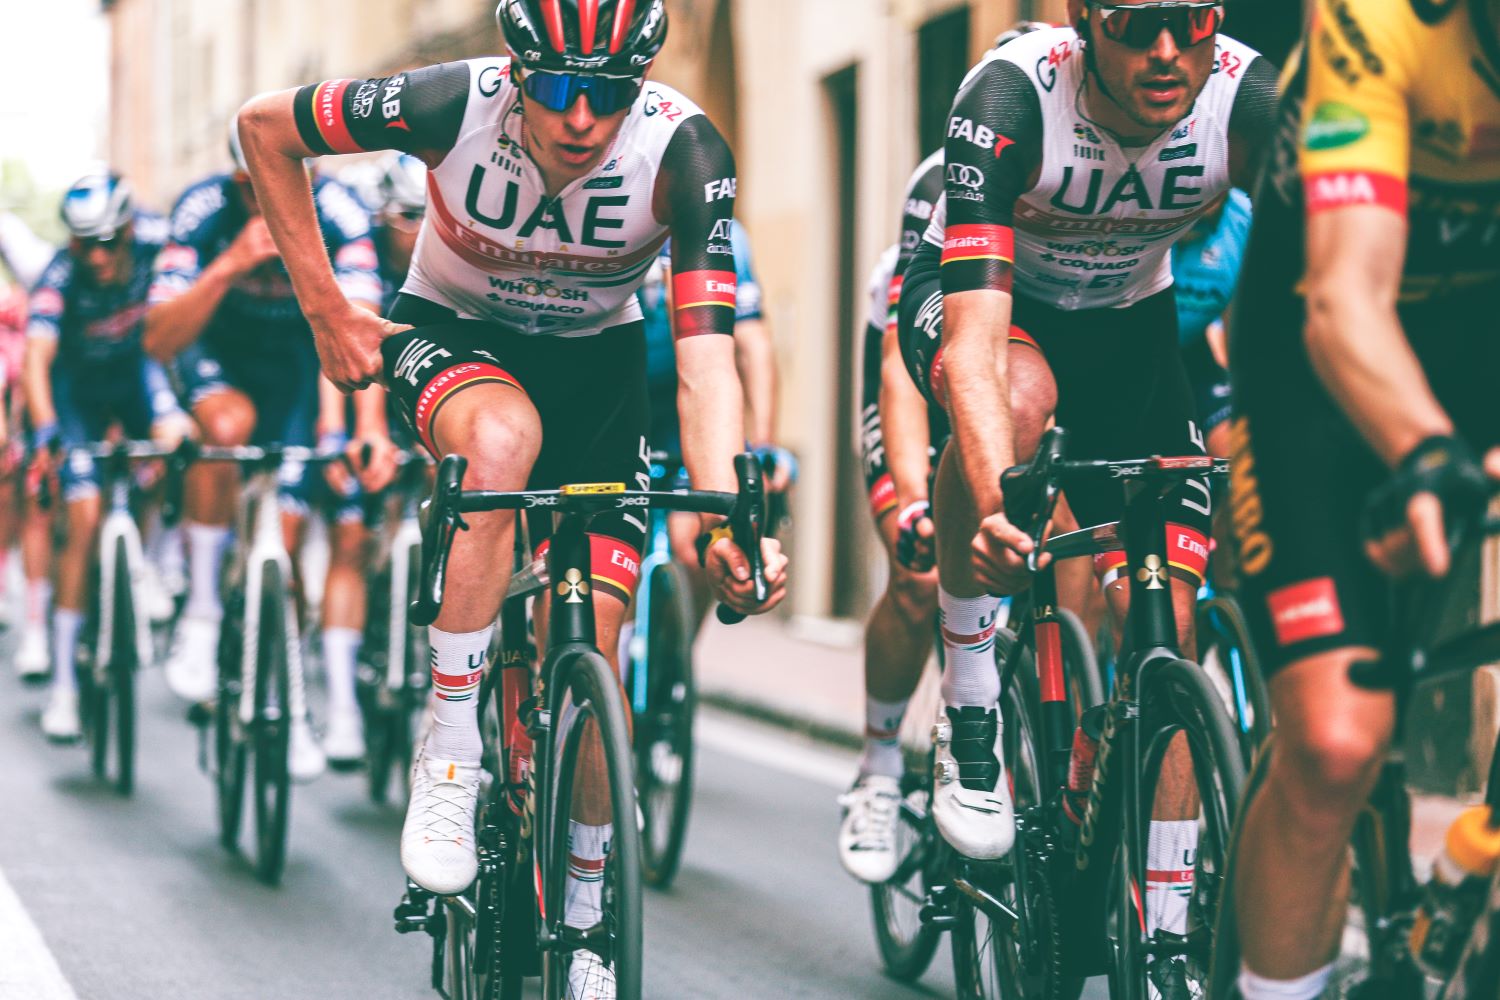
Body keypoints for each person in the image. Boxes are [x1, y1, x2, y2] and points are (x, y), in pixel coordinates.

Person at [234, 2, 787, 994]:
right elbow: (266, 128)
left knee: (600, 646)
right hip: (455, 333)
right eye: (564, 90)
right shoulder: (451, 102)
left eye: (610, 94)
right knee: (502, 441)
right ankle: (447, 758)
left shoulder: (685, 150)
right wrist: (325, 309)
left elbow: (707, 363)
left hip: (599, 369)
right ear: (519, 75)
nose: (584, 118)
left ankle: (583, 916)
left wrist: (719, 521)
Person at [897, 4, 1275, 985]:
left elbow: (1310, 289)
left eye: (1189, 23)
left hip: (1128, 328)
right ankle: (972, 708)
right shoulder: (1013, 96)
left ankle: (1167, 934)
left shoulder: (1247, 97)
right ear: (1083, 25)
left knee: (1169, 627)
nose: (1165, 52)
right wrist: (989, 506)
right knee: (1018, 402)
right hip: (982, 302)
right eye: (1136, 25)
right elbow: (975, 351)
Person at [1224, 2, 1500, 997]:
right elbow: (1345, 302)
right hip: (1323, 352)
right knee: (1337, 743)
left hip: (1482, 335)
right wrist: (1427, 451)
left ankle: (1469, 862)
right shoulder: (1385, 21)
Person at [146, 126, 391, 781]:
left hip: (301, 372)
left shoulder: (339, 212)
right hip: (220, 361)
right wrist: (227, 263)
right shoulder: (202, 210)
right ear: (239, 184)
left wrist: (366, 428)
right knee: (225, 429)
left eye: (297, 182)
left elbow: (361, 333)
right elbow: (160, 339)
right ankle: (199, 612)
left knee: (282, 548)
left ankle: (291, 704)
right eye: (261, 189)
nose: (282, 197)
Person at [20, 173, 193, 739]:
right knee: (85, 513)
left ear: (127, 229)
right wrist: (46, 429)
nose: (96, 257)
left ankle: (153, 560)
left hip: (135, 374)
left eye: (107, 242)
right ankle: (65, 687)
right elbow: (37, 360)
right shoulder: (60, 273)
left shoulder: (158, 240)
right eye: (83, 244)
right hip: (77, 392)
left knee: (173, 442)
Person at [837, 149, 944, 884]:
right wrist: (914, 501)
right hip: (915, 381)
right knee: (921, 574)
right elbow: (901, 376)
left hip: (1022, 385)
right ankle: (879, 765)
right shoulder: (942, 188)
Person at [636, 216, 786, 623]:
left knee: (695, 544)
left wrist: (764, 442)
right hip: (618, 393)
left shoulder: (723, 235)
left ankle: (676, 659)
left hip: (683, 404)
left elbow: (752, 343)